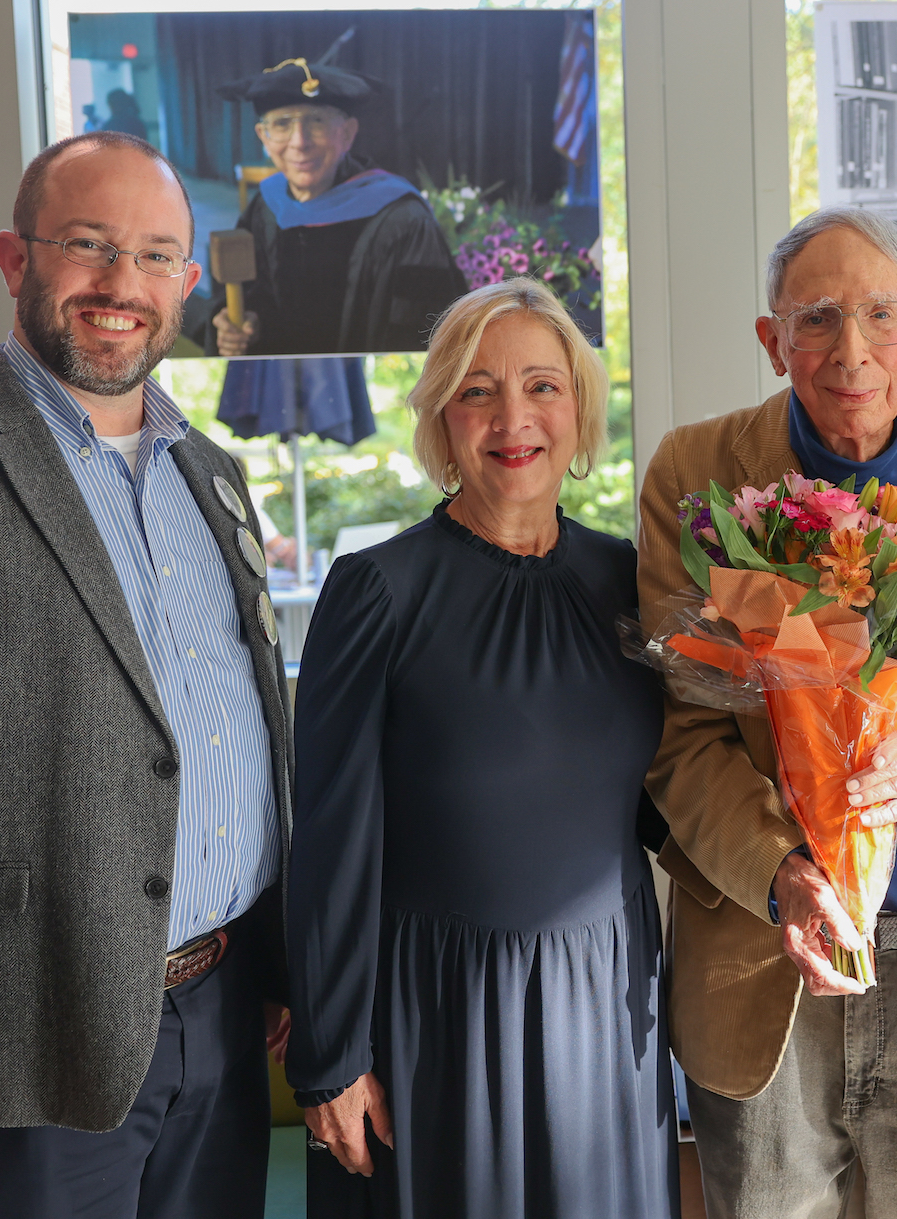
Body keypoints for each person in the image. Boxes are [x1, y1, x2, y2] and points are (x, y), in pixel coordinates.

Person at [0, 130, 293, 1218]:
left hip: (222, 1017)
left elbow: (237, 732)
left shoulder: (210, 475)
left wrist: (278, 967)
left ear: (188, 278)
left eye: (157, 255)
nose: (123, 285)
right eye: (88, 245)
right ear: (15, 258)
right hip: (18, 1048)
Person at [637, 207, 897, 1218]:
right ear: (772, 342)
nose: (849, 351)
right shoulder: (696, 482)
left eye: (880, 317)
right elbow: (677, 735)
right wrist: (785, 877)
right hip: (761, 962)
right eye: (815, 320)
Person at [285, 278, 677, 1218]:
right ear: (441, 420)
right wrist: (331, 1056)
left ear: (578, 409)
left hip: (609, 1004)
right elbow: (331, 838)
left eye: (543, 386)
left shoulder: (629, 579)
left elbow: (667, 802)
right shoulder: (376, 590)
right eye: (477, 390)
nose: (514, 417)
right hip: (439, 1018)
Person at [211, 57, 462, 358]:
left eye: (316, 121)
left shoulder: (402, 220)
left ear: (347, 133)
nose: (299, 142)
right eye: (281, 125)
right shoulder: (267, 203)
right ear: (263, 137)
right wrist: (245, 323)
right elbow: (252, 293)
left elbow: (422, 339)